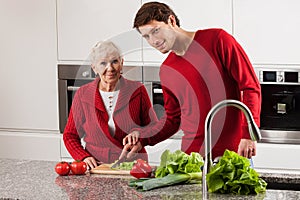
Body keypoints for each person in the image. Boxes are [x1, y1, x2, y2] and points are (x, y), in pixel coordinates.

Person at [121, 1, 261, 161]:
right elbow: (172, 120)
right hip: (193, 160)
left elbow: (250, 87)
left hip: (233, 155)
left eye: (156, 31)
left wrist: (248, 134)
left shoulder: (217, 40)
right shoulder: (167, 69)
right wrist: (144, 138)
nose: (153, 41)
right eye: (146, 36)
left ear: (171, 21)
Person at [63, 41, 158, 169]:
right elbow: (70, 135)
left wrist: (140, 135)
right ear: (94, 68)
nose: (110, 68)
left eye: (114, 61)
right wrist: (83, 157)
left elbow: (154, 128)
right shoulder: (83, 94)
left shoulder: (137, 91)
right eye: (103, 63)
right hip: (97, 168)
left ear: (122, 63)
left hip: (134, 168)